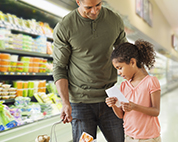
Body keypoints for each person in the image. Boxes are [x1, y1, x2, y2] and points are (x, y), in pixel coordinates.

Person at [52, 0, 127, 141]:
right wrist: (65, 103)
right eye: (88, 7)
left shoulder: (114, 19)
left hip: (111, 98)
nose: (94, 11)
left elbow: (125, 54)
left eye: (98, 5)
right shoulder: (65, 26)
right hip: (81, 102)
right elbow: (59, 67)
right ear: (78, 1)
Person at [105, 39, 161, 142]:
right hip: (129, 137)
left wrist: (134, 107)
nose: (119, 73)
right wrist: (113, 105)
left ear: (132, 62)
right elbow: (121, 115)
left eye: (120, 68)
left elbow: (156, 111)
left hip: (149, 138)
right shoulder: (123, 85)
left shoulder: (151, 82)